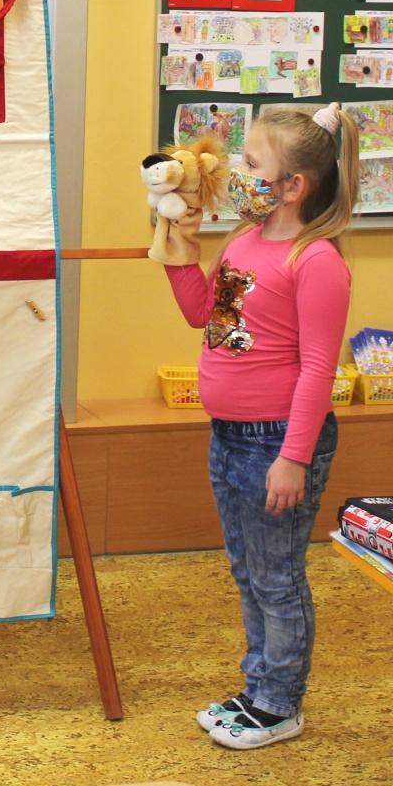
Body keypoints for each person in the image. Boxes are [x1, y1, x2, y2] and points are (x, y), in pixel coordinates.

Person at [162, 103, 357, 749]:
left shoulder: (316, 259)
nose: (237, 172)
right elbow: (202, 314)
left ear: (293, 185)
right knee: (248, 570)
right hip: (229, 436)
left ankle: (280, 703)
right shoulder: (244, 242)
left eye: (251, 163)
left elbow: (319, 368)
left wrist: (294, 457)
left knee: (277, 576)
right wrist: (176, 247)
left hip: (276, 442)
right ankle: (258, 688)